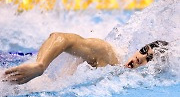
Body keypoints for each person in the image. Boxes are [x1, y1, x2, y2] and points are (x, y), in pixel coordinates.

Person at [3, 32, 168, 84]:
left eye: (149, 59)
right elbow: (61, 37)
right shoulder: (108, 54)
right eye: (144, 50)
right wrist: (40, 65)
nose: (141, 58)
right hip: (24, 67)